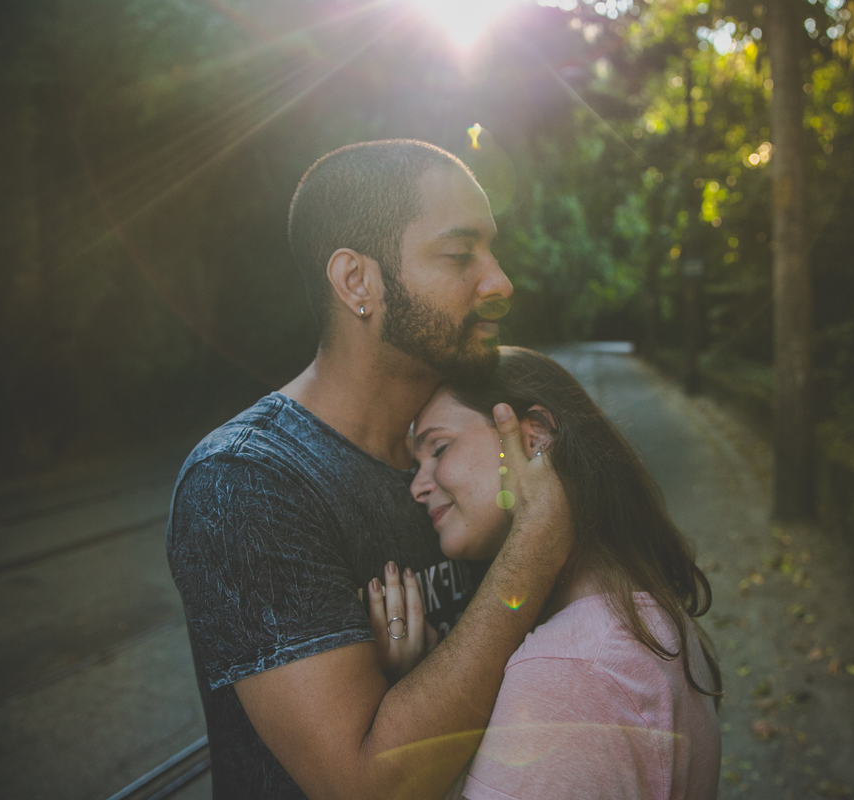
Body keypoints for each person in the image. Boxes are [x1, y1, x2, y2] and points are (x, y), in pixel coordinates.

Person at [166, 140, 571, 800]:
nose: (500, 282)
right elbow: (364, 785)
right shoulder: (249, 480)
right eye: (458, 254)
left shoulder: (466, 445)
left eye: (491, 251)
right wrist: (534, 551)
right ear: (358, 282)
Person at [371, 346, 722, 800]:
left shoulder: (570, 673)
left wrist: (404, 698)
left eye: (439, 448)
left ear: (533, 437)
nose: (417, 486)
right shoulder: (646, 611)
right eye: (416, 466)